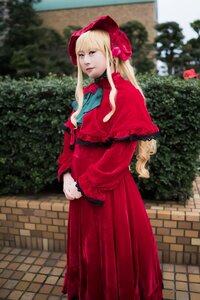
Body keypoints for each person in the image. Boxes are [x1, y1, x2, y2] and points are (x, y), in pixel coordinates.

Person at [58, 15, 163, 300]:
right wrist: (67, 175)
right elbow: (70, 143)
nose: (86, 61)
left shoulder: (127, 95)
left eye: (92, 52)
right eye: (81, 54)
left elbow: (119, 155)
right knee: (89, 254)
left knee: (108, 254)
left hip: (109, 196)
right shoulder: (87, 95)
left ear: (111, 54)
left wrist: (84, 185)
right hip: (80, 192)